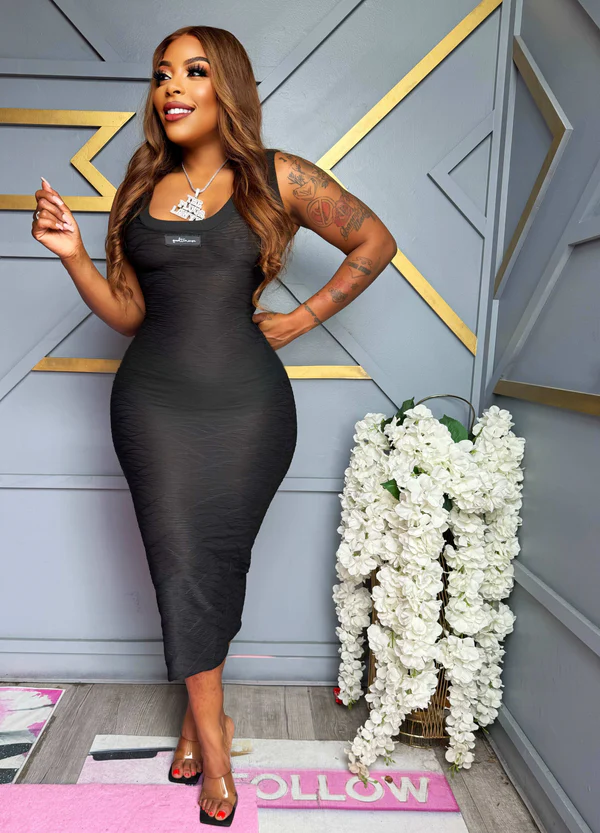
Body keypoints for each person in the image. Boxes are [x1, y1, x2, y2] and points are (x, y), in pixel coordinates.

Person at [31, 24, 397, 827]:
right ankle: (215, 746)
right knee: (180, 564)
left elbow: (375, 241)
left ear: (225, 84)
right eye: (161, 73)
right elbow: (130, 313)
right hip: (152, 406)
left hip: (248, 409)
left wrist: (300, 319)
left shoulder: (276, 175)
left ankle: (204, 726)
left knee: (216, 561)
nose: (172, 86)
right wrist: (72, 255)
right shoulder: (139, 186)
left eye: (193, 71)